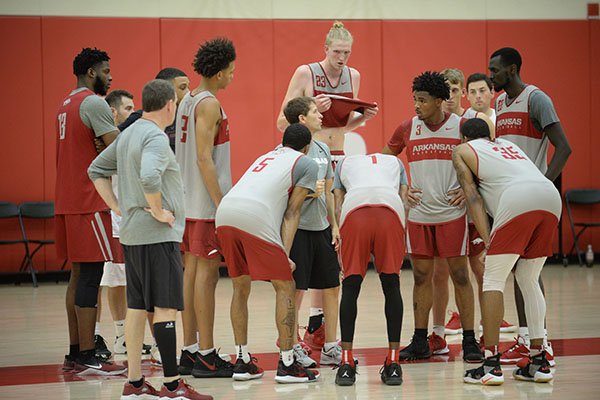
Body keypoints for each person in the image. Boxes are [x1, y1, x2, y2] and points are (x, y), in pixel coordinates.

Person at [88, 79, 212, 400]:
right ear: (170, 104)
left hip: (132, 234)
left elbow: (96, 169)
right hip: (157, 235)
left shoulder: (128, 133)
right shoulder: (155, 136)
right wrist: (157, 211)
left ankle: (134, 383)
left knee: (137, 307)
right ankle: (172, 385)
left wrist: (119, 207)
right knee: (166, 308)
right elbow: (148, 176)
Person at [276, 20, 378, 349]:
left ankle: (318, 324)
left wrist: (363, 117)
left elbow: (344, 127)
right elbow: (281, 122)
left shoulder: (354, 76)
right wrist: (311, 110)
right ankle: (293, 332)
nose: (342, 58)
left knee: (333, 245)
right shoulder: (305, 73)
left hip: (339, 158)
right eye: (337, 52)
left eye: (347, 52)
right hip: (311, 159)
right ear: (325, 49)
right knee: (308, 240)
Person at [382, 71, 483, 363]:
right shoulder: (407, 128)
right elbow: (383, 162)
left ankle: (469, 340)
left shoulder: (461, 126)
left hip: (452, 214)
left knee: (461, 275)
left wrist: (470, 190)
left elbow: (485, 161)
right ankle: (420, 340)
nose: (416, 105)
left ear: (440, 101)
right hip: (420, 215)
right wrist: (401, 190)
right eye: (414, 99)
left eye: (423, 100)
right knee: (422, 277)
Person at [455, 118, 559, 385]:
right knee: (528, 278)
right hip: (549, 195)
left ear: (464, 138)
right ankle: (540, 361)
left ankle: (490, 365)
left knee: (492, 279)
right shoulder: (508, 146)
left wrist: (488, 240)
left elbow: (473, 197)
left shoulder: (462, 151)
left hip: (518, 198)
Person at [216, 123, 320, 384]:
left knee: (240, 287)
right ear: (307, 147)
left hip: (225, 212)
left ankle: (241, 361)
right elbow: (292, 212)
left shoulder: (266, 156)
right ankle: (287, 364)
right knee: (285, 284)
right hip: (255, 215)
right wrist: (284, 255)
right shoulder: (306, 163)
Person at [489, 47, 571, 366]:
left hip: (532, 199)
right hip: (510, 200)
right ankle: (528, 338)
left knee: (529, 273)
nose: (491, 74)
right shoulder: (498, 103)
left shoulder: (537, 99)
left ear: (512, 69)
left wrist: (544, 182)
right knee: (521, 273)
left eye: (495, 70)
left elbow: (564, 148)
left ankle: (538, 339)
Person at [56, 47, 126, 375]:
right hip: (89, 200)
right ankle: (86, 355)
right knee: (91, 276)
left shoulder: (65, 103)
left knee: (77, 275)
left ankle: (74, 351)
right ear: (91, 73)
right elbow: (119, 147)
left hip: (67, 200)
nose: (110, 77)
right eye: (106, 71)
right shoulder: (94, 103)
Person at [434, 72, 515, 337]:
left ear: (462, 93)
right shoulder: (433, 122)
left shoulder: (476, 122)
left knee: (480, 267)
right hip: (444, 207)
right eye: (445, 91)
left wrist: (467, 189)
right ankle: (448, 321)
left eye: (455, 90)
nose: (449, 96)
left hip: (472, 208)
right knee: (442, 271)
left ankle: (490, 320)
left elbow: (485, 167)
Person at [175, 37, 236, 378]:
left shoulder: (187, 99)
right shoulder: (209, 103)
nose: (232, 77)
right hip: (204, 203)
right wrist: (221, 204)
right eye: (231, 71)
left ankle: (190, 349)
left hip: (187, 200)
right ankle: (208, 354)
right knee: (207, 277)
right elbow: (203, 158)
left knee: (192, 272)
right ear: (218, 73)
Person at [332, 153, 408, 386]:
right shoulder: (396, 163)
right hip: (391, 210)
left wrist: (338, 233)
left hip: (355, 211)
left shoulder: (344, 163)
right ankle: (393, 364)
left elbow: (337, 203)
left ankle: (346, 364)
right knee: (392, 284)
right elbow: (404, 200)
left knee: (351, 286)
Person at [282, 97, 341, 367]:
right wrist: (304, 194)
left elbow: (328, 190)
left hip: (321, 228)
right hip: (299, 231)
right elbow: (283, 195)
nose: (321, 116)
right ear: (302, 119)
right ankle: (292, 345)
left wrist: (335, 225)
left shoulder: (323, 149)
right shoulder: (286, 152)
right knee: (296, 291)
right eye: (316, 112)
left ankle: (330, 345)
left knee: (331, 286)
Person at [119, 68, 190, 152]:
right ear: (166, 90)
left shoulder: (187, 116)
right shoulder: (141, 117)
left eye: (188, 87)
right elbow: (113, 137)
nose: (188, 92)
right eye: (183, 88)